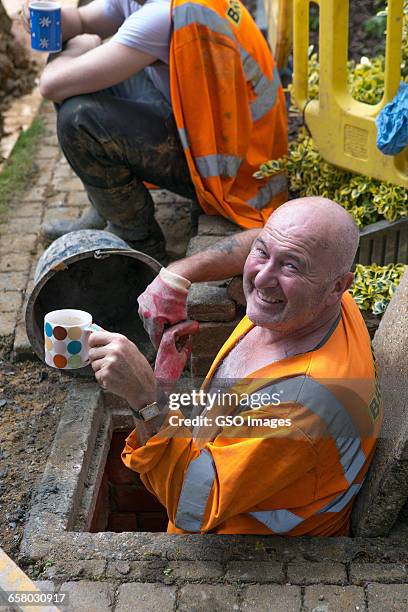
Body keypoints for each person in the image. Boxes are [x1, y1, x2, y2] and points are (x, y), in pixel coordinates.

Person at [88, 197, 382, 535]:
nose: (261, 279)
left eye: (291, 266)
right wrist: (177, 274)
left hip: (249, 557)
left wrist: (146, 398)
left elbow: (190, 507)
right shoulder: (318, 302)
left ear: (338, 286)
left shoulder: (299, 407)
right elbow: (268, 240)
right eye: (263, 253)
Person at [31, 0, 288, 262]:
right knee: (85, 79)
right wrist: (52, 19)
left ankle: (136, 239)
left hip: (232, 166)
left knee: (78, 120)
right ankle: (106, 210)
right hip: (214, 126)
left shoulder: (161, 14)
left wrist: (80, 46)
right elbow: (82, 21)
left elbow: (52, 85)